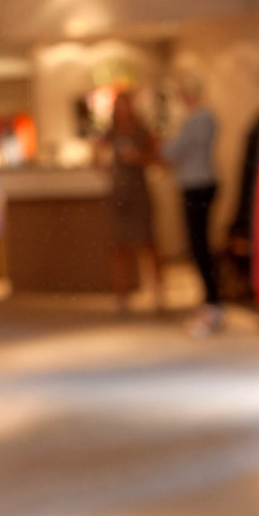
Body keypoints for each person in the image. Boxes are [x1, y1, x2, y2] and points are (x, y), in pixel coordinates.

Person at [163, 75, 221, 337]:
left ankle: (212, 303)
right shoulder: (200, 117)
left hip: (198, 185)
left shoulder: (199, 118)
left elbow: (172, 151)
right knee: (199, 244)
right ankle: (210, 301)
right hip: (198, 183)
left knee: (199, 245)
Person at [97, 90, 164, 313]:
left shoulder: (143, 132)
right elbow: (96, 155)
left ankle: (158, 293)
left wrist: (138, 156)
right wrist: (104, 166)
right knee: (119, 247)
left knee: (149, 244)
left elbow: (158, 157)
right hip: (119, 194)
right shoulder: (110, 133)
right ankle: (121, 296)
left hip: (139, 191)